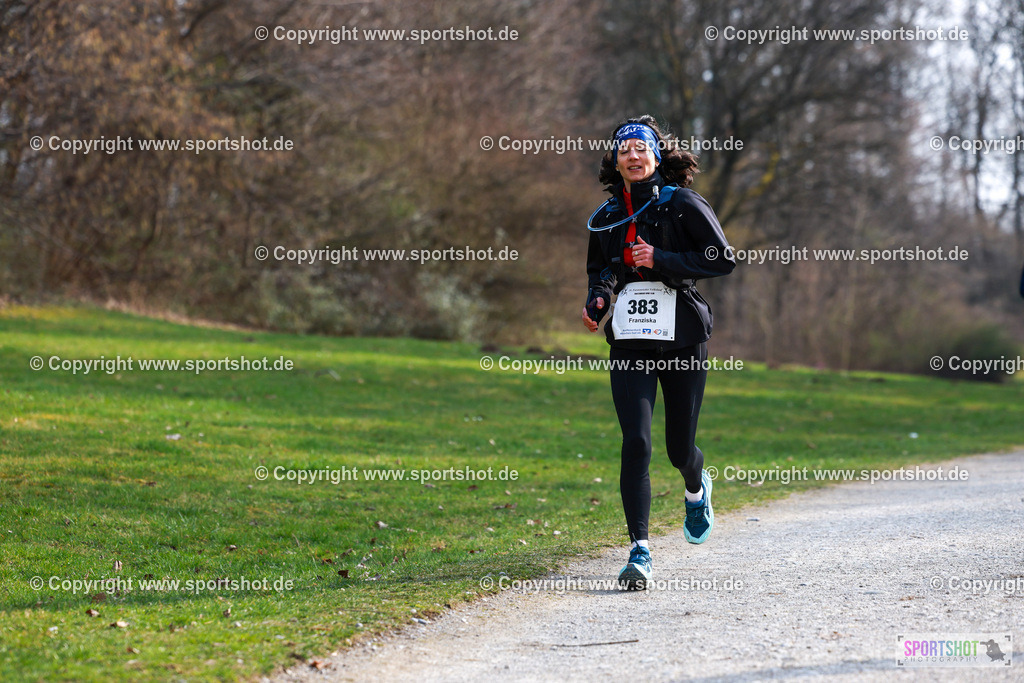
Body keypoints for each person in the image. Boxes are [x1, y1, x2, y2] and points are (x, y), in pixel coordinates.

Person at [582, 116, 735, 590]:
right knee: (637, 442)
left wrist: (662, 260)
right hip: (630, 341)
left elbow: (722, 258)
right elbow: (600, 270)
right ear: (615, 160)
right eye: (622, 148)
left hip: (682, 339)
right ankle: (640, 551)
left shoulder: (682, 203)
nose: (631, 155)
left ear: (655, 154)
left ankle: (696, 488)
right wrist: (599, 298)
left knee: (677, 449)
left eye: (639, 147)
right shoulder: (606, 216)